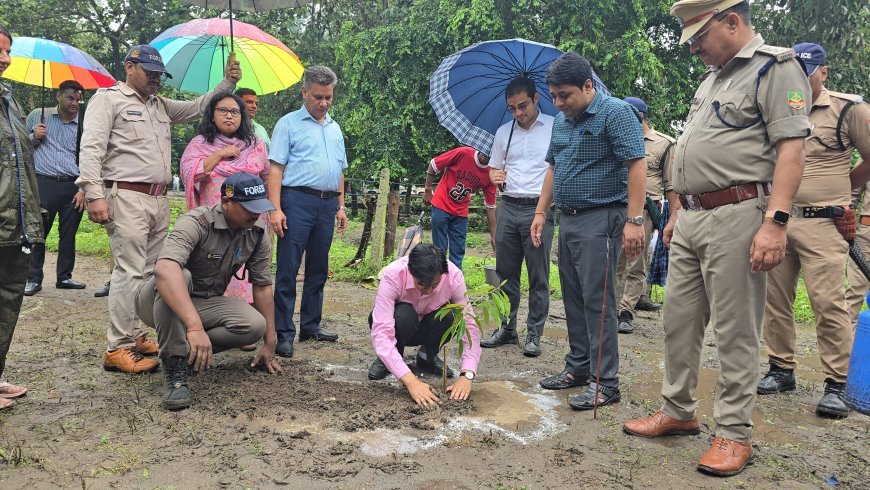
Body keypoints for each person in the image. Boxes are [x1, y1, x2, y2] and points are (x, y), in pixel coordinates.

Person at [622, 0, 811, 477]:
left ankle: (733, 433)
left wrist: (776, 221)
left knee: (735, 331)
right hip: (691, 217)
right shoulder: (714, 78)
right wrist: (678, 211)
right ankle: (678, 411)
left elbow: (792, 148)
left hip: (739, 214)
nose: (695, 49)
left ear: (732, 21)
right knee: (678, 320)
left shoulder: (776, 68)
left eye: (700, 37)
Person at [77, 44, 241, 373]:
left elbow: (197, 107)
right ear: (129, 67)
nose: (155, 79)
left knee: (151, 272)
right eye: (149, 73)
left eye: (159, 75)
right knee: (128, 271)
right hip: (126, 195)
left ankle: (137, 335)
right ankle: (117, 346)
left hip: (158, 198)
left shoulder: (160, 105)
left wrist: (226, 84)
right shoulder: (108, 99)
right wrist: (93, 193)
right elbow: (91, 148)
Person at [759, 42, 870, 419]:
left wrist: (847, 193)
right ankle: (780, 369)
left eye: (808, 76)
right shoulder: (781, 106)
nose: (802, 85)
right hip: (780, 219)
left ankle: (837, 383)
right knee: (776, 299)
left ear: (823, 72)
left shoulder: (849, 109)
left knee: (827, 302)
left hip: (825, 223)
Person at [529, 53, 646, 409]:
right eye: (554, 96)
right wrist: (539, 211)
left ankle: (605, 381)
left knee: (599, 301)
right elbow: (553, 167)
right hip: (569, 219)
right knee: (575, 298)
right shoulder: (562, 122)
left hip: (603, 218)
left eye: (565, 95)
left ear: (588, 85)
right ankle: (578, 368)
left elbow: (636, 164)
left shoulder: (616, 113)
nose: (559, 103)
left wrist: (634, 220)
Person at [135, 172, 281, 410]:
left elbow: (263, 286)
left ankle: (190, 355)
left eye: (260, 207)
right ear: (225, 202)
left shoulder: (256, 235)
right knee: (180, 275)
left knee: (254, 324)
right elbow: (165, 270)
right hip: (155, 300)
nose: (255, 214)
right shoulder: (196, 222)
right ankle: (175, 370)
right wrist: (194, 327)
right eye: (248, 207)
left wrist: (270, 341)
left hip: (205, 302)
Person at [267, 66, 348, 359]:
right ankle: (284, 332)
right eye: (317, 97)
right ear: (304, 92)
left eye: (328, 97)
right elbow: (275, 168)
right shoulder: (288, 125)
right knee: (288, 268)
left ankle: (311, 324)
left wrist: (340, 206)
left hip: (327, 204)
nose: (323, 103)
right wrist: (274, 208)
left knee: (318, 267)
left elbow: (339, 168)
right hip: (296, 201)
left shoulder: (335, 128)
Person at [482, 76, 555, 357]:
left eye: (522, 105)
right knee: (505, 274)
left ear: (536, 99)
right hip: (508, 207)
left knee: (539, 275)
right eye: (512, 108)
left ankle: (534, 333)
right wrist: (494, 175)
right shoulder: (503, 132)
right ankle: (507, 327)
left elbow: (558, 167)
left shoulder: (554, 127)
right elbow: (493, 169)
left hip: (539, 208)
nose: (518, 113)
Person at [179, 92, 270, 303]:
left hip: (250, 220)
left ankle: (244, 318)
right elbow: (191, 173)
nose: (229, 116)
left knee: (247, 268)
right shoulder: (199, 144)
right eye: (223, 110)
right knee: (212, 265)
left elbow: (266, 176)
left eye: (235, 112)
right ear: (212, 115)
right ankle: (210, 312)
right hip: (215, 223)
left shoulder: (255, 144)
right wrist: (220, 154)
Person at [367, 244, 481, 406]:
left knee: (451, 315)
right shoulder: (393, 275)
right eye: (421, 284)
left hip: (428, 326)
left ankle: (426, 358)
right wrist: (412, 383)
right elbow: (382, 332)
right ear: (411, 271)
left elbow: (469, 325)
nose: (428, 292)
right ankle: (390, 360)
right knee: (404, 315)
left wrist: (467, 374)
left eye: (434, 286)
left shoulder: (454, 277)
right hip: (400, 326)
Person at [0, 25, 41, 409]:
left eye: (7, 50)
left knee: (9, 296)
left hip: (16, 220)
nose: (4, 58)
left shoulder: (10, 103)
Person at [615, 97, 677, 333]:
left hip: (645, 211)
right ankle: (610, 309)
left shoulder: (664, 144)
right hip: (617, 208)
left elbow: (671, 185)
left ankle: (626, 312)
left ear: (640, 116)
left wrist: (673, 217)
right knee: (614, 263)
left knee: (636, 262)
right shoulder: (616, 139)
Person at [23, 80, 87, 296]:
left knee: (69, 234)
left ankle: (64, 277)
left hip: (73, 185)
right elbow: (19, 146)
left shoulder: (84, 123)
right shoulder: (37, 116)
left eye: (78, 98)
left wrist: (84, 189)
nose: (75, 102)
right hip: (43, 182)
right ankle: (33, 279)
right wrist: (34, 137)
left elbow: (90, 157)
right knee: (38, 232)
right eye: (70, 97)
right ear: (58, 95)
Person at [422, 146, 496, 269]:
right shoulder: (463, 153)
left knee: (458, 250)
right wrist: (428, 190)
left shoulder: (491, 173)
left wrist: (494, 236)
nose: (486, 154)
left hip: (460, 211)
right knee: (440, 248)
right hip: (442, 203)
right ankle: (439, 279)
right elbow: (434, 164)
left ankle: (455, 281)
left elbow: (490, 206)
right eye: (484, 151)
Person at [847, 166, 870, 324]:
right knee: (855, 290)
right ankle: (844, 347)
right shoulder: (868, 152)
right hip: (866, 236)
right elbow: (851, 194)